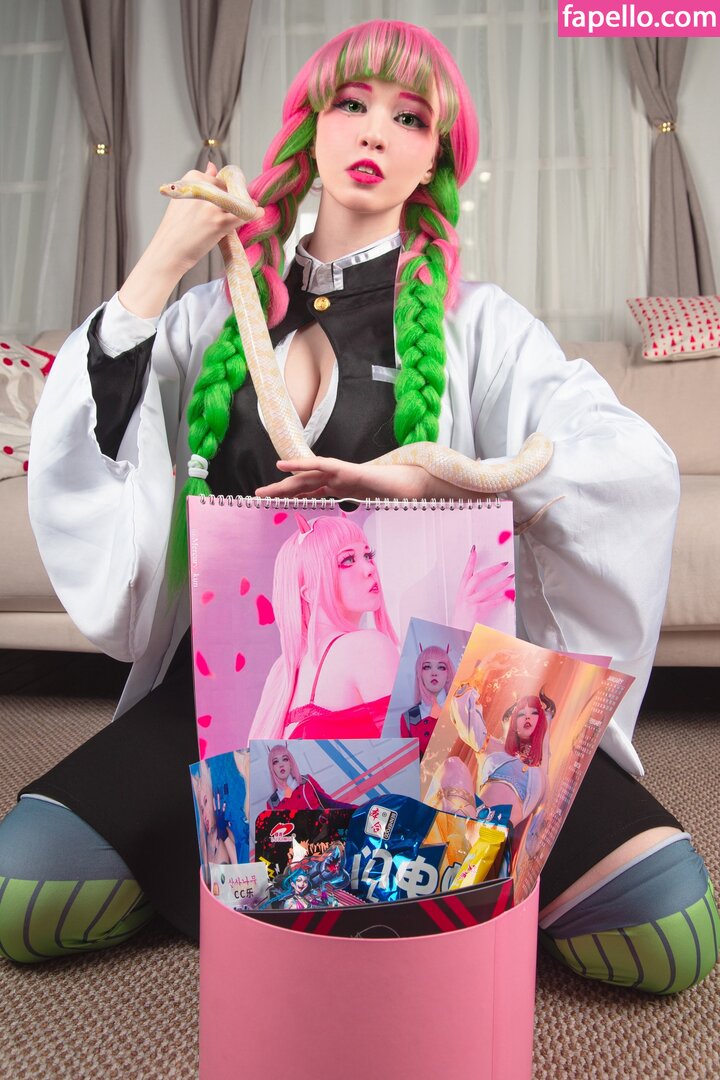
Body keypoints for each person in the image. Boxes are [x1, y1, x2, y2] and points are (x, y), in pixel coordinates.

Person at [0, 18, 716, 992]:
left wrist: (438, 475)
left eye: (410, 116)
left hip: (447, 717)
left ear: (436, 160)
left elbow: (625, 460)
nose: (377, 129)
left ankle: (288, 872)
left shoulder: (480, 325)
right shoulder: (209, 314)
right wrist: (159, 265)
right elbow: (93, 433)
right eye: (352, 103)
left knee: (665, 925)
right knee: (27, 891)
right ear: (311, 127)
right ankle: (340, 873)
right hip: (233, 703)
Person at [251, 513, 399, 740]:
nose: (369, 568)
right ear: (309, 592)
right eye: (347, 560)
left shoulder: (282, 675)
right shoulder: (367, 647)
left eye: (368, 555)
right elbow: (418, 757)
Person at [400, 643, 456, 755]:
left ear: (448, 675)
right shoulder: (408, 719)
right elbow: (410, 760)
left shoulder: (460, 708)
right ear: (420, 674)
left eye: (441, 667)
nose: (434, 673)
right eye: (427, 667)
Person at [264, 743, 353, 811]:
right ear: (272, 768)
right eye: (275, 762)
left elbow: (329, 803)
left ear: (290, 763)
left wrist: (355, 809)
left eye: (285, 759)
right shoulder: (272, 804)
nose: (281, 764)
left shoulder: (307, 781)